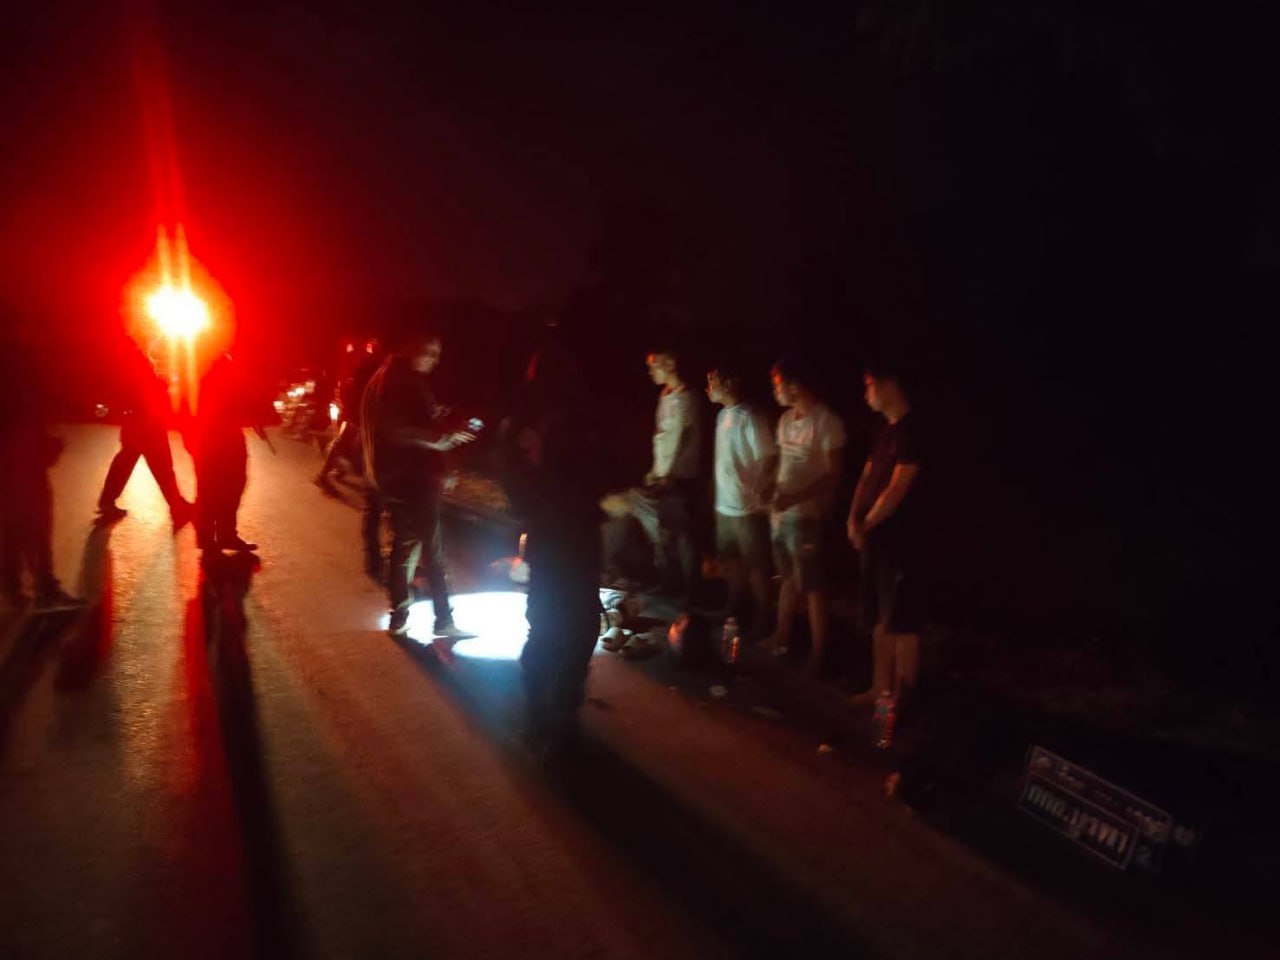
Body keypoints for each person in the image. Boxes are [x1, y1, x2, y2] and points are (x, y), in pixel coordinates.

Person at [498, 330, 619, 760]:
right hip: (568, 538)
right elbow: (572, 484)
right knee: (574, 627)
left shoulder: (521, 426)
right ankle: (554, 717)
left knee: (552, 626)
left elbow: (521, 489)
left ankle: (543, 715)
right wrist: (605, 500)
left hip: (550, 538)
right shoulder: (560, 425)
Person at [360, 330, 475, 640]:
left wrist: (439, 418)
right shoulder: (399, 380)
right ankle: (443, 620)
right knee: (432, 551)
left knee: (404, 545)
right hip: (413, 477)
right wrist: (441, 439)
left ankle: (399, 615)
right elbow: (396, 429)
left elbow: (407, 421)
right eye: (430, 353)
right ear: (411, 348)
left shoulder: (385, 377)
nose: (434, 361)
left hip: (393, 477)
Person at [847, 361, 925, 706]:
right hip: (875, 539)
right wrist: (853, 518)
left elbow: (897, 488)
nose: (866, 393)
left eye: (869, 384)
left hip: (902, 542)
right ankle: (879, 689)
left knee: (902, 623)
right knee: (879, 616)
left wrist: (867, 523)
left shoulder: (912, 432)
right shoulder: (883, 430)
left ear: (889, 385)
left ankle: (902, 699)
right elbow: (866, 477)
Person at [763, 355, 844, 675]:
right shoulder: (785, 420)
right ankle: (781, 637)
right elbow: (783, 464)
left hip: (807, 516)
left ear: (795, 386)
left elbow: (833, 475)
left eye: (778, 385)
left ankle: (818, 651)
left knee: (812, 585)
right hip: (781, 515)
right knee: (787, 579)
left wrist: (796, 496)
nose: (775, 391)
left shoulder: (826, 422)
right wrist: (769, 488)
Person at [602, 347, 704, 601]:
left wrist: (671, 472)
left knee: (681, 534)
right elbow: (663, 437)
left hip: (679, 476)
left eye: (654, 365)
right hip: (661, 475)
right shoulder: (665, 395)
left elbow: (684, 438)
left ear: (670, 364)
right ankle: (670, 584)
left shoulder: (688, 398)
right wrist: (656, 470)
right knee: (663, 531)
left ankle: (691, 589)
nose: (650, 371)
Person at [0, 320, 82, 614]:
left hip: (16, 448)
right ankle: (42, 588)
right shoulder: (19, 360)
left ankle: (15, 590)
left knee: (15, 522)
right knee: (33, 518)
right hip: (18, 449)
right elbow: (24, 405)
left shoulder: (16, 357)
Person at [706, 363, 777, 635]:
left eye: (713, 381)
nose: (709, 387)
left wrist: (758, 488)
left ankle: (763, 615)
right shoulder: (722, 415)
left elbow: (768, 456)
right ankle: (734, 608)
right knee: (731, 563)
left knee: (757, 566)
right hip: (724, 505)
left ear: (728, 384)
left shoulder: (750, 416)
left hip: (747, 507)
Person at [96, 337, 194, 528]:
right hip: (147, 422)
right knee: (162, 467)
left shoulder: (128, 358)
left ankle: (107, 502)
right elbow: (146, 390)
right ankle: (177, 508)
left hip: (135, 421)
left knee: (124, 463)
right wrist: (164, 384)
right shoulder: (138, 360)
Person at [317, 338, 387, 580]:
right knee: (343, 442)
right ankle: (325, 473)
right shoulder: (371, 366)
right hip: (357, 413)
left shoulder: (380, 367)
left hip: (362, 415)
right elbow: (355, 387)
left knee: (350, 445)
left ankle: (337, 472)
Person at [193, 352, 271, 553]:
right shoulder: (215, 365)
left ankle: (215, 536)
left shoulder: (210, 363)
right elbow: (234, 401)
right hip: (218, 438)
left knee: (220, 487)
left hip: (215, 437)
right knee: (221, 487)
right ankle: (215, 536)